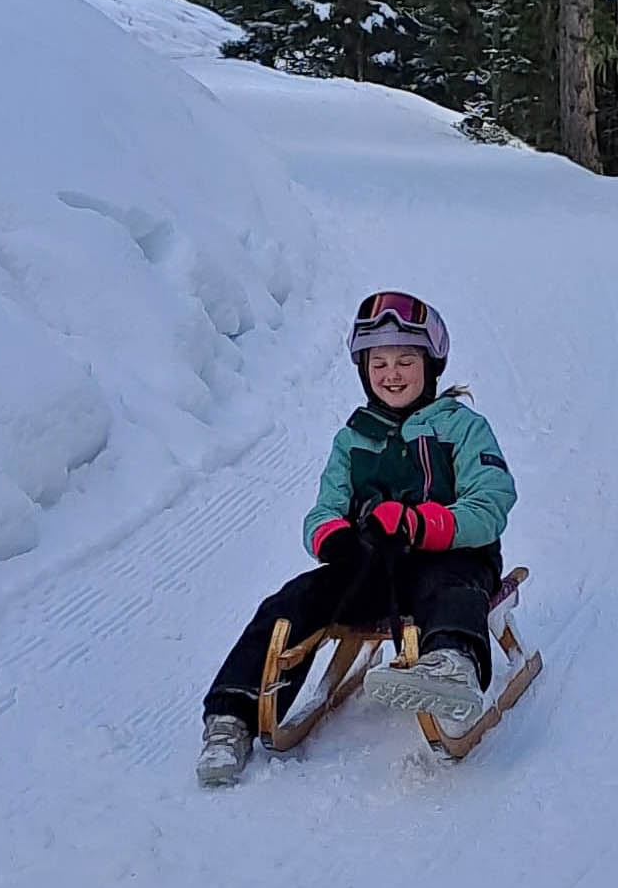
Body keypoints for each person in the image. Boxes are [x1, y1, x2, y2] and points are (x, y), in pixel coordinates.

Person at [197, 291, 517, 788]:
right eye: (379, 363)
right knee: (291, 601)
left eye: (405, 361)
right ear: (364, 371)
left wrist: (419, 524)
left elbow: (491, 501)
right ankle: (231, 716)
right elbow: (323, 510)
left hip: (453, 557)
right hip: (373, 570)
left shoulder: (462, 427)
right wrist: (333, 539)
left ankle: (451, 666)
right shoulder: (353, 439)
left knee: (451, 587)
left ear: (431, 364)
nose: (392, 374)